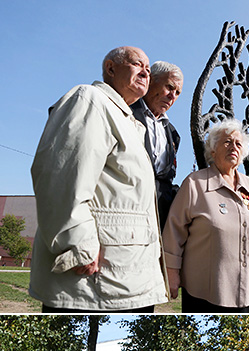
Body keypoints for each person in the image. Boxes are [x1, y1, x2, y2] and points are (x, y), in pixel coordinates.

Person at [29, 46, 168, 312]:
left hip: (126, 274)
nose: (145, 72)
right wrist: (77, 243)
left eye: (149, 70)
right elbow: (60, 175)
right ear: (110, 68)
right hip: (93, 276)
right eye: (138, 64)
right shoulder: (89, 99)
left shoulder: (130, 122)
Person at [163, 117, 249, 311]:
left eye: (238, 144)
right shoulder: (195, 184)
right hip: (206, 292)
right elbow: (174, 231)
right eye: (227, 142)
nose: (234, 147)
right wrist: (172, 271)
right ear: (213, 150)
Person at [132, 60, 183, 229]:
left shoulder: (174, 135)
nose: (172, 96)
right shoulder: (124, 111)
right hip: (124, 213)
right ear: (151, 80)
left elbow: (165, 182)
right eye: (169, 87)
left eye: (177, 93)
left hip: (156, 223)